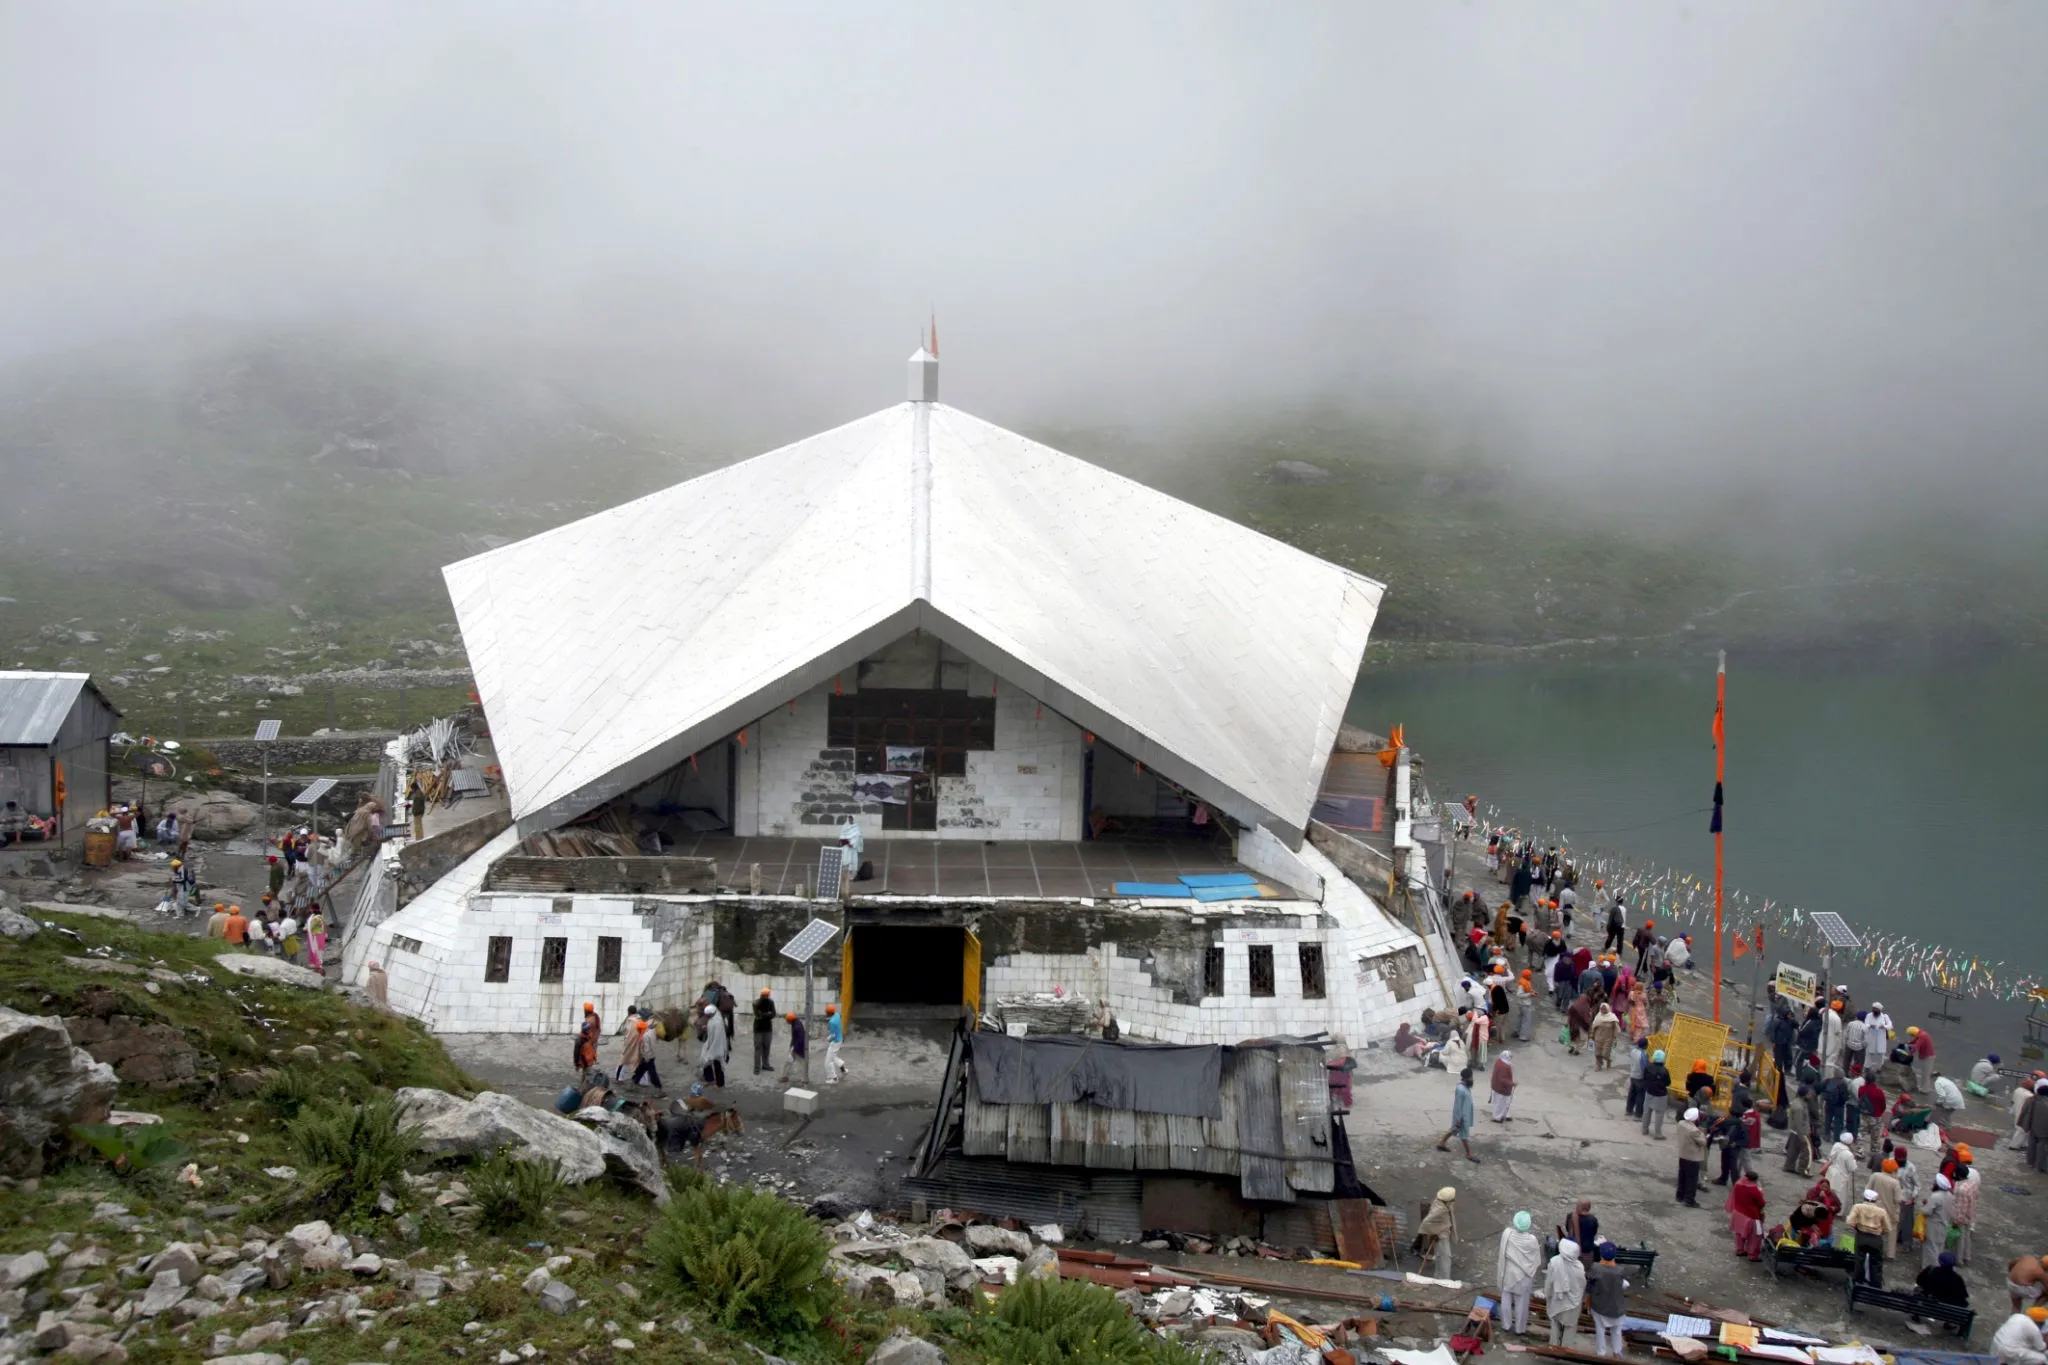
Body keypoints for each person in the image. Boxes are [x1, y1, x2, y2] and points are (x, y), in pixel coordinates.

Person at [1496, 1211, 1542, 1335]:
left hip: (1509, 1273)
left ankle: (1506, 1325)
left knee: (1505, 1298)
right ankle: (1520, 1329)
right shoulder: (1532, 1240)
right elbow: (1536, 1259)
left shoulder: (1507, 1234)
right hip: (1524, 1276)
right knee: (1521, 1303)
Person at [1586, 1243, 1630, 1358]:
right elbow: (1624, 1285)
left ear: (1601, 1254)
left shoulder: (1596, 1268)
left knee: (1600, 1330)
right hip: (1618, 1308)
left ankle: (1601, 1354)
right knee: (1616, 1331)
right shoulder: (1620, 1270)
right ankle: (1617, 1353)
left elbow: (1589, 1286)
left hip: (1600, 1307)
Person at [1545, 1237, 1587, 1348]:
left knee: (1555, 1324)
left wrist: (1547, 1295)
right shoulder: (1579, 1267)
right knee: (1569, 1327)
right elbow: (1582, 1285)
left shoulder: (1554, 1262)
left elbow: (1549, 1282)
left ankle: (1553, 1346)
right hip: (1572, 1304)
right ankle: (1566, 1349)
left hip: (1557, 1300)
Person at [1848, 1189, 1893, 1287]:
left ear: (1864, 1197)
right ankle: (1876, 1284)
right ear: (1876, 1200)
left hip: (1861, 1236)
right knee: (1876, 1262)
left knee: (1859, 1260)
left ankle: (1858, 1281)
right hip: (1876, 1238)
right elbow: (1888, 1228)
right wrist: (1881, 1232)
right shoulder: (1882, 1211)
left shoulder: (1857, 1207)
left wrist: (1856, 1226)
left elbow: (1850, 1221)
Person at [1438, 1066, 1481, 1161]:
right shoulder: (1461, 1089)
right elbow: (1458, 1106)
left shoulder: (1464, 1087)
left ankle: (1441, 1143)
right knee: (1464, 1135)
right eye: (1471, 1077)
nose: (1472, 1079)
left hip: (1464, 1115)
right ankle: (1469, 1154)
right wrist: (1458, 1120)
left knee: (1453, 1129)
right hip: (1462, 1117)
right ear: (1467, 1078)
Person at [1416, 1187, 1458, 1278]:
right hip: (1441, 1236)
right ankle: (1445, 1279)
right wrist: (1435, 1232)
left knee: (1440, 1256)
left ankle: (1438, 1276)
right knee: (1445, 1257)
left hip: (1443, 1233)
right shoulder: (1439, 1209)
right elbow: (1426, 1222)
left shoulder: (1441, 1203)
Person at [1726, 1169, 1767, 1260]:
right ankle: (1752, 1255)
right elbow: (1761, 1203)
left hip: (1738, 1214)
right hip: (1751, 1216)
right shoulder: (1755, 1190)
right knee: (1755, 1236)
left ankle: (1739, 1250)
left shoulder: (1738, 1185)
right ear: (1755, 1180)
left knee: (1739, 1233)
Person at [1917, 1249, 1970, 1315]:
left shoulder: (1930, 1270)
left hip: (1929, 1304)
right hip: (1947, 1311)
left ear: (1939, 1261)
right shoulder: (1957, 1279)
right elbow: (1963, 1296)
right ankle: (1949, 1324)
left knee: (1918, 1291)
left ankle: (1916, 1315)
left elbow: (1919, 1281)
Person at [1921, 1173, 1956, 1269]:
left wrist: (1924, 1206)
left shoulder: (1935, 1196)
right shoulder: (1950, 1195)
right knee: (1939, 1247)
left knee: (1931, 1248)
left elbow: (1926, 1211)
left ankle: (1931, 1270)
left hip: (1933, 1225)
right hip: (1944, 1224)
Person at [1871, 1159, 1904, 1257]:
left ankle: (1873, 1248)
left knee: (1874, 1228)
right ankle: (1890, 1254)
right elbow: (1898, 1199)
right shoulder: (1895, 1182)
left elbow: (1868, 1189)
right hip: (1891, 1211)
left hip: (1876, 1207)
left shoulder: (1875, 1176)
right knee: (1892, 1231)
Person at [1676, 1107, 1707, 1207]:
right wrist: (1702, 1132)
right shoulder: (1694, 1131)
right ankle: (1689, 1199)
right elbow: (1703, 1142)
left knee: (1682, 1176)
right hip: (1693, 1157)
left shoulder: (1681, 1123)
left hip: (1683, 1154)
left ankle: (1680, 1195)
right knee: (1692, 1179)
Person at [1784, 1084, 1816, 1175]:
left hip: (1795, 1131)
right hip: (1801, 1132)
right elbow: (1799, 1122)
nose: (1810, 1095)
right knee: (1807, 1152)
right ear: (1804, 1094)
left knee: (1793, 1150)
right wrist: (1803, 1135)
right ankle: (1803, 1169)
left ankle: (1789, 1166)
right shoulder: (1799, 1107)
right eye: (1809, 1093)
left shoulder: (1797, 1102)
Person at [624, 1017, 662, 1092]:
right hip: (651, 1056)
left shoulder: (644, 1036)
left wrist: (645, 1058)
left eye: (638, 1029)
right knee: (639, 1071)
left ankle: (660, 1090)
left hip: (648, 1058)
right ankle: (633, 1085)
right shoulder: (651, 1032)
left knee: (652, 1075)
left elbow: (646, 1049)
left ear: (640, 1029)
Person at [1824, 1131, 1860, 1207]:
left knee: (1828, 1191)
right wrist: (1854, 1161)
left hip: (1831, 1171)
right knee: (1839, 1195)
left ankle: (1826, 1205)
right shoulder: (1848, 1154)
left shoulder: (1836, 1145)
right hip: (1841, 1176)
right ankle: (1837, 1211)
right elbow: (1852, 1168)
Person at [1642, 1049, 1672, 1139]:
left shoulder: (1648, 1067)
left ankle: (1644, 1129)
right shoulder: (1665, 1071)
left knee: (1647, 1112)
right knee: (1659, 1114)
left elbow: (1644, 1077)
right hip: (1660, 1095)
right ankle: (1657, 1134)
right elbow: (1668, 1083)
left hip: (1649, 1092)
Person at [699, 1004, 729, 1088]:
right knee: (705, 1060)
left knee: (717, 1064)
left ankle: (720, 1083)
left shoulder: (717, 1022)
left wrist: (712, 1050)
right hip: (710, 1043)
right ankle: (709, 1079)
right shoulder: (714, 1018)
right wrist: (707, 1028)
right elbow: (712, 1028)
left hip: (717, 1046)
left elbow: (717, 1037)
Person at [778, 1011, 808, 1084]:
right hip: (796, 1046)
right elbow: (794, 1037)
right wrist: (791, 1045)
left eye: (787, 1020)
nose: (787, 1021)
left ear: (790, 1020)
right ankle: (785, 1076)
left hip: (799, 1048)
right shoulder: (795, 1022)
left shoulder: (796, 1026)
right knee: (789, 1061)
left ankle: (804, 1079)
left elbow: (800, 1039)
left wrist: (794, 1049)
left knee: (800, 1063)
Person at [752, 988, 777, 1074]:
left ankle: (766, 1065)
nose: (767, 996)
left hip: (767, 1028)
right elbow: (758, 1015)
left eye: (768, 995)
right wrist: (768, 1014)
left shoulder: (771, 1002)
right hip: (758, 1028)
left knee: (767, 1047)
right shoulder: (756, 1003)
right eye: (766, 995)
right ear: (762, 995)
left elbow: (774, 1014)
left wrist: (766, 1014)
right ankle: (756, 1067)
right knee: (758, 1047)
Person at [1590, 1002, 1620, 1070]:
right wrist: (1591, 1036)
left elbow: (1616, 1029)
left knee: (1605, 1054)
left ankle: (1608, 1060)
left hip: (1608, 1039)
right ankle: (1599, 1065)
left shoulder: (1612, 1018)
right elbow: (1593, 1027)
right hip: (1598, 1038)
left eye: (1604, 1009)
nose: (1603, 1010)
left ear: (1608, 1009)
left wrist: (1616, 1038)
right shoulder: (1598, 1017)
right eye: (1601, 1008)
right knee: (1597, 1054)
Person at [575, 1003, 601, 1075]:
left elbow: (577, 1051)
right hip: (594, 1040)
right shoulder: (595, 1016)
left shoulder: (589, 1020)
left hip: (590, 1042)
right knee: (590, 1059)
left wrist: (577, 1064)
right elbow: (598, 1029)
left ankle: (587, 1074)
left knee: (587, 1061)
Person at [1490, 1052, 1517, 1123]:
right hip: (1502, 1088)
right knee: (1501, 1103)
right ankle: (1497, 1117)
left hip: (1496, 1086)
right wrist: (1512, 1084)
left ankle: (1504, 1114)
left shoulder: (1499, 1061)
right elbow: (1503, 1079)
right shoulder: (1505, 1066)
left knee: (1501, 1102)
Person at [1911, 1025, 1938, 1094]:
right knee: (1924, 1073)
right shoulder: (1921, 1033)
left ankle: (1925, 1090)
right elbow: (1915, 1040)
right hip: (1926, 1056)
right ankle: (1922, 1087)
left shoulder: (1922, 1036)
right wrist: (1909, 1043)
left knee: (1926, 1074)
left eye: (1912, 1035)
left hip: (1928, 1057)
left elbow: (1916, 1047)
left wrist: (1910, 1053)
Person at [825, 1002, 847, 1083]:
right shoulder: (837, 1015)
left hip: (835, 1042)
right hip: (839, 1039)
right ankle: (843, 1070)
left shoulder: (831, 1022)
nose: (825, 1013)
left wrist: (828, 1039)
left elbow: (833, 1035)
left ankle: (834, 1078)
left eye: (826, 1012)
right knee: (833, 1057)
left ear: (830, 1013)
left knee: (828, 1061)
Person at [305, 907, 326, 974]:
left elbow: (312, 929)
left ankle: (319, 969)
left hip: (315, 939)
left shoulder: (315, 919)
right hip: (319, 938)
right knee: (319, 954)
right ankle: (318, 967)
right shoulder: (319, 918)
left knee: (317, 954)